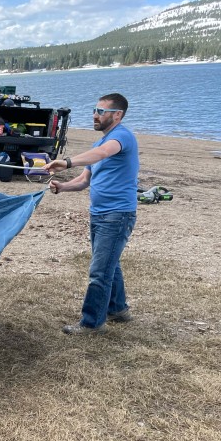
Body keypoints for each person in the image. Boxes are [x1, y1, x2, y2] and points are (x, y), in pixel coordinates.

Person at [43, 93, 139, 335]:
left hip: (117, 215)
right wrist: (63, 186)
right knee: (109, 264)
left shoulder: (121, 137)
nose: (94, 115)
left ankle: (91, 323)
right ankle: (118, 309)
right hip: (99, 214)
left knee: (99, 271)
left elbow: (104, 153)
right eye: (94, 110)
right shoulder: (98, 143)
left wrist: (66, 162)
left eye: (100, 111)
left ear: (117, 115)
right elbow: (85, 179)